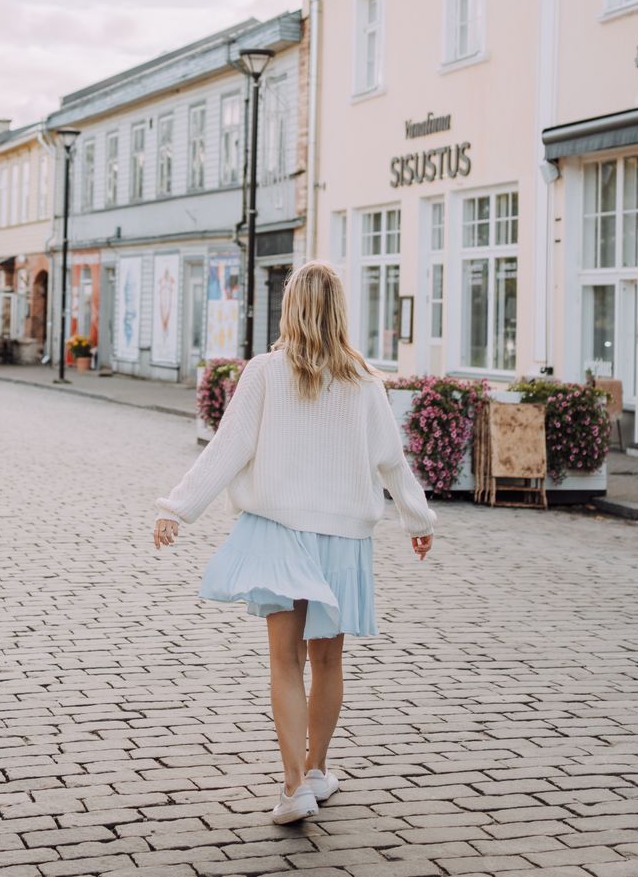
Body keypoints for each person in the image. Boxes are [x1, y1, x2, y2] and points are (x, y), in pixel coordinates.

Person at [152, 260, 436, 826]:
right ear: (339, 312)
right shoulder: (364, 381)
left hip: (280, 532)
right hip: (342, 537)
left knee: (284, 660)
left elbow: (227, 447)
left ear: (289, 308)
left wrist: (177, 508)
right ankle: (315, 771)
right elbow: (391, 460)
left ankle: (294, 787)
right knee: (327, 660)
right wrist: (417, 519)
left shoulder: (264, 371)